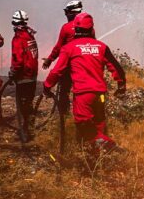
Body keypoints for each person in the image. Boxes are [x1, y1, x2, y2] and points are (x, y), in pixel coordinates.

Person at [43, 12, 126, 153]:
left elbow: (57, 71)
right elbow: (117, 68)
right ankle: (97, 157)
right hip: (100, 94)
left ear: (75, 29)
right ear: (91, 29)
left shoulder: (69, 48)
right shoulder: (101, 47)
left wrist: (47, 86)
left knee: (83, 123)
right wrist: (121, 86)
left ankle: (109, 146)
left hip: (83, 94)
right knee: (99, 123)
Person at [42, 0, 87, 115]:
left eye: (67, 12)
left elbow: (58, 47)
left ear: (72, 13)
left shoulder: (66, 28)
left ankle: (64, 117)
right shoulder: (89, 27)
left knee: (64, 92)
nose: (66, 15)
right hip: (85, 66)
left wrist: (49, 60)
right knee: (82, 92)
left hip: (68, 66)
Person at [8, 10, 38, 139]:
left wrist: (12, 73)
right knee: (29, 103)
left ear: (15, 23)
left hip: (23, 76)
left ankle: (25, 133)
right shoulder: (30, 35)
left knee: (22, 105)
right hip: (32, 76)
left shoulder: (18, 38)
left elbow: (18, 60)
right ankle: (30, 128)